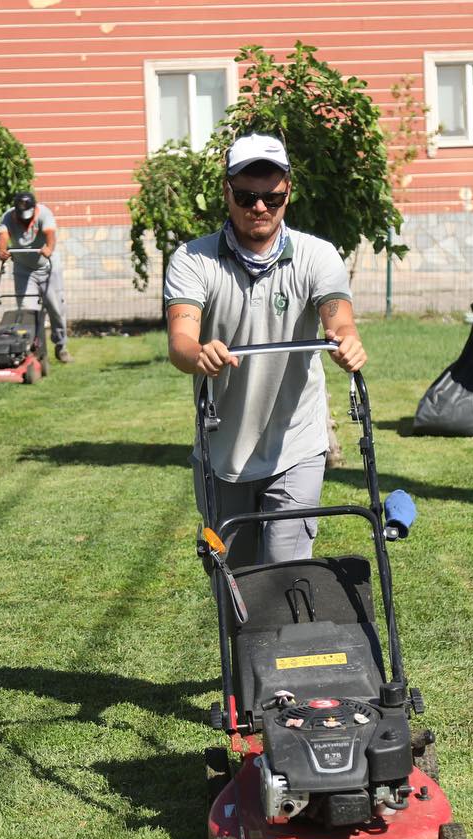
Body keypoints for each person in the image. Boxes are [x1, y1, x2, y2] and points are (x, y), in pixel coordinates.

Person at [164, 132, 365, 568]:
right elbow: (180, 341)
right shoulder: (193, 261)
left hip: (296, 444)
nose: (259, 208)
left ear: (287, 192)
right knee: (235, 585)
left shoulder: (317, 256)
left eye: (271, 198)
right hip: (221, 450)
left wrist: (345, 342)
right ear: (226, 192)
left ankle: (294, 637)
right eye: (246, 196)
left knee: (286, 575)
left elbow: (339, 319)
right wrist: (199, 354)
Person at [0, 192, 71, 363]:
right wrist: (2, 250)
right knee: (27, 312)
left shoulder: (44, 213)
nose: (25, 221)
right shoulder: (8, 217)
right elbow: (3, 236)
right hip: (23, 270)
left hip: (48, 268)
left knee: (56, 309)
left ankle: (61, 346)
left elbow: (50, 234)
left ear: (34, 209)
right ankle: (32, 350)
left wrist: (49, 248)